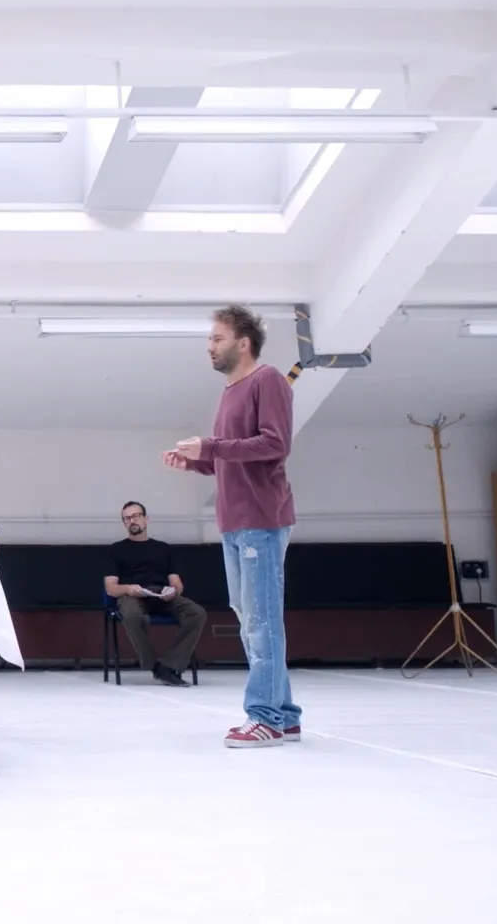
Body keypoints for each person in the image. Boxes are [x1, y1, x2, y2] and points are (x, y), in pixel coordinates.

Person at [164, 304, 301, 748]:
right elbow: (232, 460)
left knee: (261, 621)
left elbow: (274, 445)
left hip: (261, 520)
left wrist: (212, 446)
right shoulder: (230, 392)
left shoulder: (269, 381)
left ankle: (264, 718)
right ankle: (284, 714)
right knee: (251, 619)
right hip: (235, 521)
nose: (210, 346)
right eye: (209, 339)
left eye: (217, 339)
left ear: (243, 343)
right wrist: (197, 462)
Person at [105, 501, 206, 687]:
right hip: (132, 594)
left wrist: (172, 590)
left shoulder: (164, 549)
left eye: (135, 516)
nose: (131, 521)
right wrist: (128, 588)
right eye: (127, 518)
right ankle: (154, 666)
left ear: (146, 519)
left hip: (160, 594)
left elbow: (176, 582)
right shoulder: (115, 550)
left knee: (196, 612)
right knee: (132, 614)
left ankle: (170, 665)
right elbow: (110, 588)